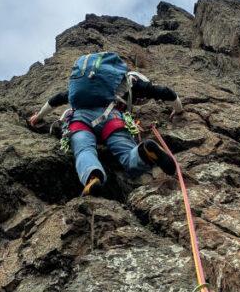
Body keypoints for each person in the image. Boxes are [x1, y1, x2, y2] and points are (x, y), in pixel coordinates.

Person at [29, 52, 183, 195]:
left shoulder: (95, 84)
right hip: (113, 118)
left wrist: (38, 116)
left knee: (83, 149)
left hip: (80, 118)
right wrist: (179, 110)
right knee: (126, 151)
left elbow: (56, 99)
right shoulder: (136, 84)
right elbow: (167, 93)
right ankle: (143, 152)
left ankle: (92, 176)